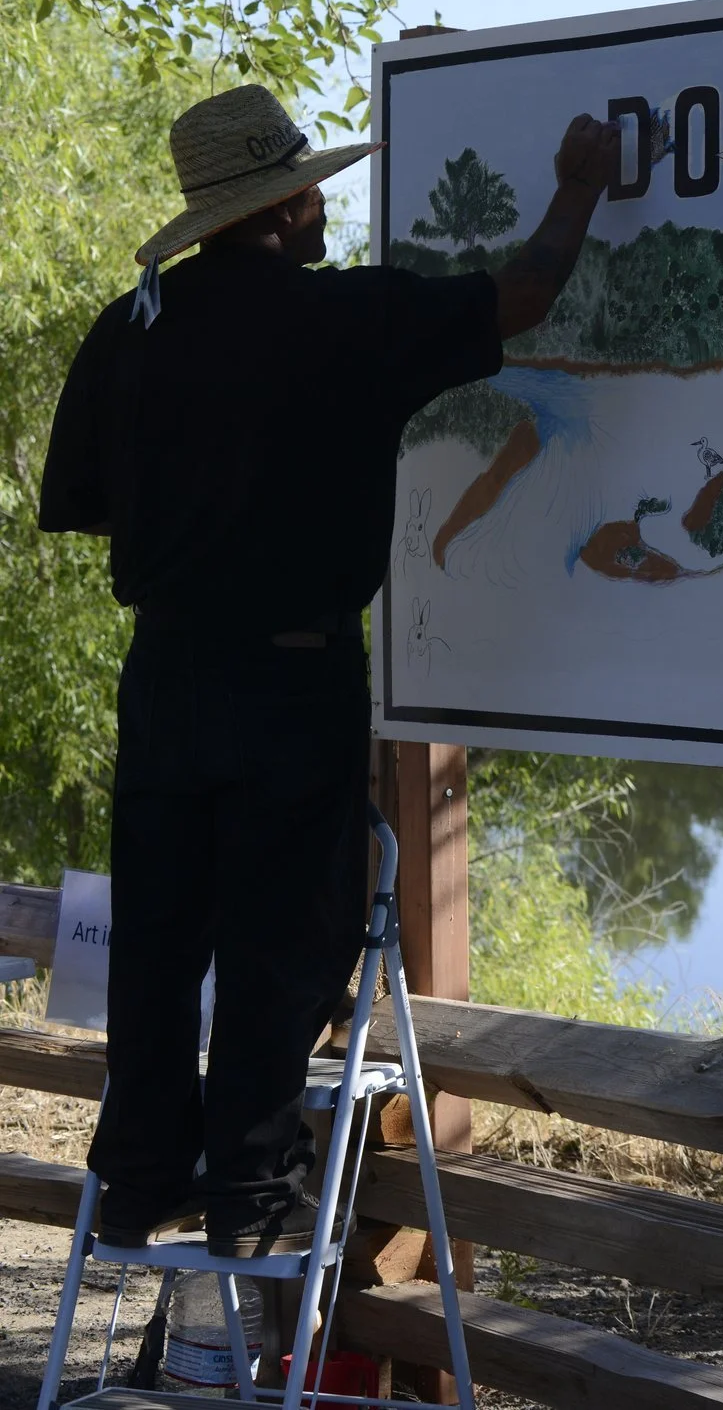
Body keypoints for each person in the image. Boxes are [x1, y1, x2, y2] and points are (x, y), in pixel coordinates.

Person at [36, 84, 620, 1255]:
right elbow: (522, 297)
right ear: (293, 206)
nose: (322, 215)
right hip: (292, 677)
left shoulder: (127, 329)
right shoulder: (345, 322)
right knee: (280, 936)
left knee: (158, 932)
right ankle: (252, 1198)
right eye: (315, 197)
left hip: (163, 677)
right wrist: (579, 184)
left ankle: (143, 1176)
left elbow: (87, 506)